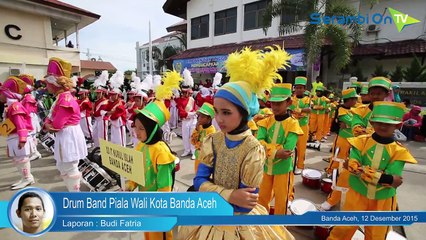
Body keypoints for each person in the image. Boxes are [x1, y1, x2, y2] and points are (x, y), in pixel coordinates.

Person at [178, 46, 295, 240]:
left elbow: (244, 204)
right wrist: (230, 194)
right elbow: (198, 181)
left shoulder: (253, 149)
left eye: (226, 112)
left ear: (244, 113)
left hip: (238, 221)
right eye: (217, 111)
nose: (219, 119)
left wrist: (215, 192)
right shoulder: (213, 141)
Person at [327, 101, 417, 240]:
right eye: (378, 122)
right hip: (357, 193)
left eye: (388, 123)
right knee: (343, 228)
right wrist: (383, 178)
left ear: (397, 125)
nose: (382, 126)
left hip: (382, 200)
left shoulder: (399, 151)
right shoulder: (360, 141)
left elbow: (392, 178)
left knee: (377, 234)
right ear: (372, 123)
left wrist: (363, 172)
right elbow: (354, 163)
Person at [126, 70, 182, 240]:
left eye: (142, 129)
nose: (137, 132)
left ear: (152, 130)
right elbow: (136, 172)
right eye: (135, 127)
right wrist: (129, 186)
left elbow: (165, 186)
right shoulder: (140, 146)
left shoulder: (162, 151)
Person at [257, 83, 303, 214]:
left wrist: (267, 149)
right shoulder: (265, 121)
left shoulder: (293, 123)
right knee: (262, 196)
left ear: (288, 102)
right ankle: (261, 224)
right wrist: (276, 151)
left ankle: (279, 227)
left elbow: (288, 150)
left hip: (283, 169)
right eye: (273, 103)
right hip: (265, 166)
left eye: (279, 103)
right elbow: (258, 142)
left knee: (281, 199)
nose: (275, 107)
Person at [43, 57, 87, 192]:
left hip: (68, 135)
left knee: (69, 166)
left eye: (47, 83)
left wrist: (48, 125)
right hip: (65, 135)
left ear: (54, 84)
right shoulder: (61, 97)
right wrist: (47, 124)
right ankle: (73, 194)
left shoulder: (65, 98)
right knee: (63, 166)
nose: (46, 87)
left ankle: (76, 198)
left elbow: (56, 124)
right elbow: (49, 120)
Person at [321, 88, 359, 211]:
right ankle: (331, 174)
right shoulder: (342, 109)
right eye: (355, 99)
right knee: (338, 160)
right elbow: (352, 122)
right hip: (343, 139)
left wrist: (351, 124)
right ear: (350, 100)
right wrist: (355, 124)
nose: (357, 101)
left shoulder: (359, 109)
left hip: (356, 142)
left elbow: (356, 123)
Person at [0, 76, 35, 190]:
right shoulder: (11, 106)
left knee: (22, 159)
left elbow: (21, 124)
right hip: (14, 136)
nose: (0, 96)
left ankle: (27, 178)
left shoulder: (15, 107)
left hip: (18, 137)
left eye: (2, 93)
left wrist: (22, 139)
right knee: (18, 160)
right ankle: (25, 177)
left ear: (8, 94)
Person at [289, 76, 311, 174]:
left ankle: (300, 166)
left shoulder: (307, 99)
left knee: (301, 147)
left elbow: (309, 109)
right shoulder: (291, 99)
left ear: (304, 89)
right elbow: (288, 109)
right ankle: (291, 164)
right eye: (297, 87)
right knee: (291, 146)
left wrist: (300, 110)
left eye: (300, 88)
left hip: (303, 125)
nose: (298, 89)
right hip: (292, 125)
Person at [20, 74, 42, 161]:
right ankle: (34, 152)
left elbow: (27, 110)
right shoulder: (27, 97)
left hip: (30, 117)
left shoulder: (28, 98)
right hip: (31, 117)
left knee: (30, 136)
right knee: (31, 136)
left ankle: (35, 153)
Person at [176, 69, 197, 159]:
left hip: (193, 121)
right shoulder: (180, 100)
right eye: (184, 92)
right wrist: (190, 114)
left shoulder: (192, 100)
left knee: (192, 136)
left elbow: (195, 110)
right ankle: (186, 150)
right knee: (185, 136)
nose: (185, 94)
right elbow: (181, 112)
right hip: (185, 121)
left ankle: (193, 152)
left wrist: (192, 114)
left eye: (186, 92)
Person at [190, 102, 216, 173]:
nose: (199, 118)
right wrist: (196, 129)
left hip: (205, 159)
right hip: (198, 156)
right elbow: (193, 142)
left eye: (202, 117)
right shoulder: (199, 127)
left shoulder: (211, 131)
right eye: (199, 116)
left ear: (209, 119)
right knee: (197, 172)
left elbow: (208, 147)